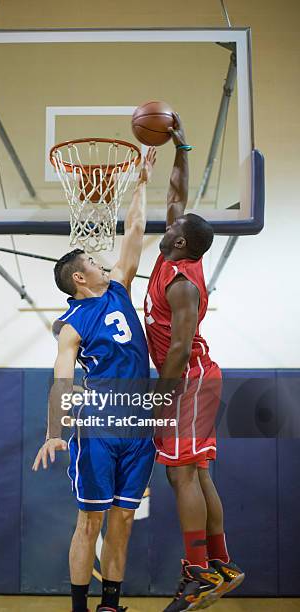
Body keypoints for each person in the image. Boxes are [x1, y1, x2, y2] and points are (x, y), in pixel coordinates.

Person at [33, 147, 157, 612]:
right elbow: (62, 380)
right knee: (91, 520)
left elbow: (136, 233)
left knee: (124, 519)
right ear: (81, 278)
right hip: (101, 425)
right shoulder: (72, 324)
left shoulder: (121, 288)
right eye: (95, 262)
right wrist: (54, 432)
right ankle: (79, 607)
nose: (106, 263)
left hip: (139, 424)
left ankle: (110, 603)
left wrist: (141, 183)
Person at [144, 115, 245, 611]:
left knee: (180, 473)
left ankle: (199, 571)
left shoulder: (182, 280)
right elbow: (177, 197)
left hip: (187, 376)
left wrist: (158, 398)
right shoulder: (176, 253)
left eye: (174, 225)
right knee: (197, 471)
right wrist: (180, 146)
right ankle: (220, 561)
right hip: (193, 376)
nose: (170, 219)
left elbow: (180, 348)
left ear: (180, 241)